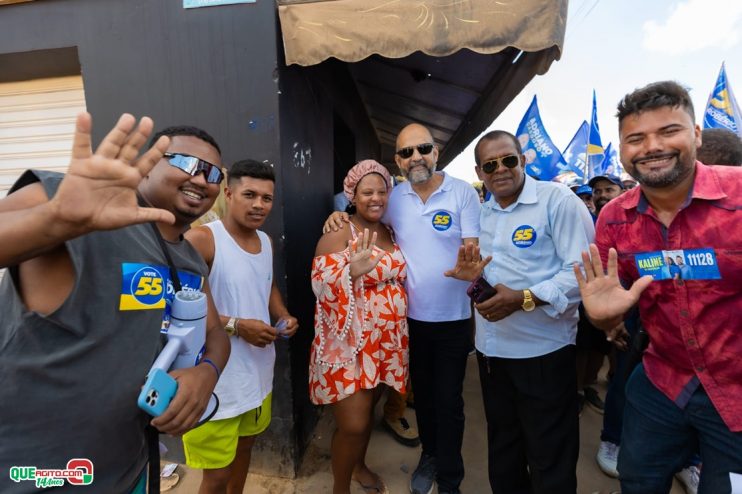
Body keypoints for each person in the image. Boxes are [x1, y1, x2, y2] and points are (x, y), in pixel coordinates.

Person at [0, 113, 230, 493]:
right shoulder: (73, 205)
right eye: (187, 163)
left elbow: (215, 332)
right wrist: (54, 219)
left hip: (129, 467)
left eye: (215, 174)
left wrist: (207, 373)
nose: (202, 179)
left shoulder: (190, 258)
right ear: (148, 164)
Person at [575, 80, 742, 494]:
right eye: (636, 138)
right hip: (661, 379)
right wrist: (605, 318)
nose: (651, 146)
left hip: (737, 392)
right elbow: (613, 299)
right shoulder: (613, 218)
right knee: (638, 480)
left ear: (696, 135)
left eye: (668, 131)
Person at [325, 125, 480, 494]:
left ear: (436, 151)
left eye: (423, 149)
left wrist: (471, 273)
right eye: (406, 153)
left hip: (453, 319)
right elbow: (360, 204)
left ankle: (450, 477)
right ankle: (429, 455)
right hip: (408, 322)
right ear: (397, 161)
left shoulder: (462, 194)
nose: (416, 158)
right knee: (423, 398)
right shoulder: (394, 198)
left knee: (449, 401)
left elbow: (472, 249)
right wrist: (334, 216)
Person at [447, 130, 595, 493]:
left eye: (508, 160)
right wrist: (474, 280)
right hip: (492, 354)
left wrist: (525, 298)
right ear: (480, 172)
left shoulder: (557, 201)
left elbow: (582, 274)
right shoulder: (482, 213)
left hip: (544, 353)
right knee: (504, 450)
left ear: (523, 160)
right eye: (490, 165)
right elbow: (492, 284)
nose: (500, 170)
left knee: (549, 457)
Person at [182, 159, 298, 494]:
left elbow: (268, 285)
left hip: (258, 375)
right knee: (215, 477)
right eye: (250, 194)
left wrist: (283, 314)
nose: (259, 204)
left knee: (246, 449)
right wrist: (235, 325)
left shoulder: (265, 241)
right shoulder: (202, 240)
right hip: (214, 382)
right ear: (228, 193)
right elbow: (174, 308)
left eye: (267, 198)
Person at [311, 160, 408, 494]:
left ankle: (359, 466)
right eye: (367, 192)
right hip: (349, 346)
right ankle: (341, 488)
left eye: (382, 191)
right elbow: (319, 284)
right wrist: (350, 271)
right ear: (352, 194)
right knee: (353, 424)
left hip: (385, 345)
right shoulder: (340, 230)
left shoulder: (391, 229)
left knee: (368, 414)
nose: (376, 198)